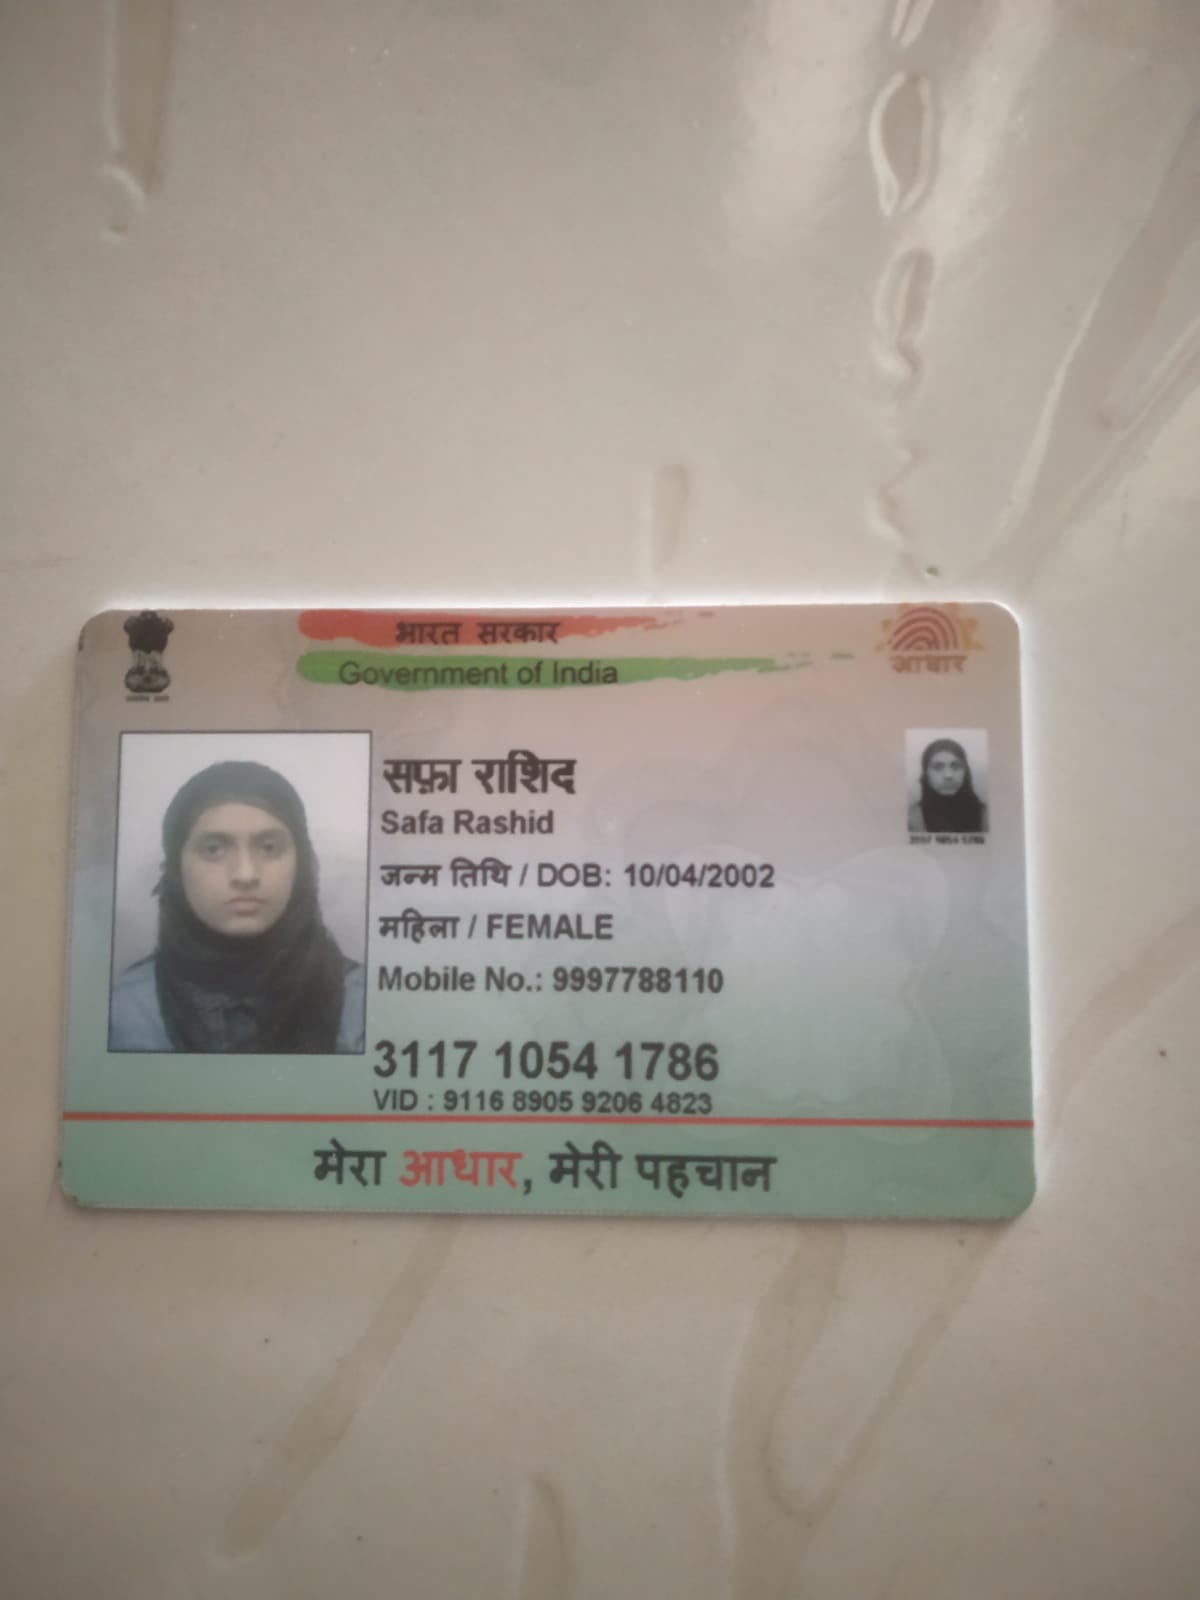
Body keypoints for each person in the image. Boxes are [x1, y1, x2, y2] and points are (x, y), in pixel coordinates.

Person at [110, 760, 365, 1052]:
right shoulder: (125, 1012)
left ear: (301, 862)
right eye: (214, 849)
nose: (245, 874)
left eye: (269, 847)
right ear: (177, 868)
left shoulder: (363, 1006)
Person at [907, 737, 989, 834]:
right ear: (926, 774)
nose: (948, 775)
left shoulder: (987, 816)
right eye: (938, 767)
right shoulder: (911, 819)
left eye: (956, 766)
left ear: (966, 772)